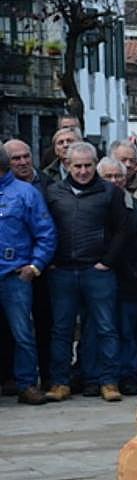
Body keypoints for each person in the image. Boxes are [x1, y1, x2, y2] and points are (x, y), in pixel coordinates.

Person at [44, 142, 130, 402]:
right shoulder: (53, 192)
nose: (82, 171)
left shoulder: (109, 193)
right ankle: (60, 382)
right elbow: (45, 226)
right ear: (67, 165)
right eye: (77, 166)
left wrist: (107, 262)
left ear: (96, 164)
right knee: (61, 329)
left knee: (106, 327)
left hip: (98, 271)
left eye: (88, 165)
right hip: (63, 271)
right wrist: (50, 260)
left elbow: (123, 230)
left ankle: (109, 381)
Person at [96, 157, 137, 396]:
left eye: (118, 176)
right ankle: (98, 376)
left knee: (129, 331)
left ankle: (129, 376)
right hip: (98, 278)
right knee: (99, 330)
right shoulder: (93, 206)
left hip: (131, 281)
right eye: (108, 177)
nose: (114, 181)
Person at [0, 142, 56, 405]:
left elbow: (46, 233)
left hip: (14, 275)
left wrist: (35, 266)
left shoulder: (26, 194)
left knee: (23, 332)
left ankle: (26, 384)